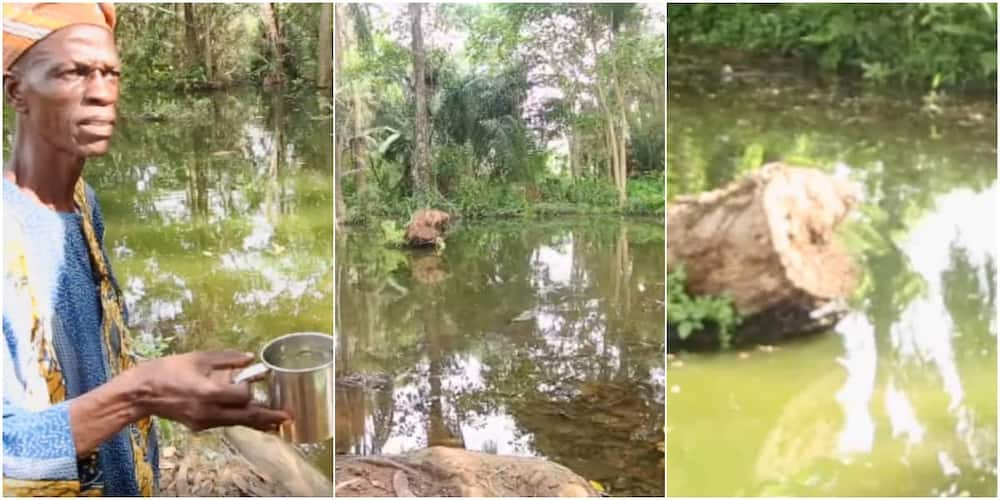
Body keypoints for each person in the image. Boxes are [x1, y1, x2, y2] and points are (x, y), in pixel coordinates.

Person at [2, 4, 290, 496]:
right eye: (72, 72)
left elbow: (101, 359)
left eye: (110, 74)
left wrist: (168, 383)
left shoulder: (83, 206)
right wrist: (144, 391)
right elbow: (8, 447)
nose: (101, 93)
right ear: (17, 92)